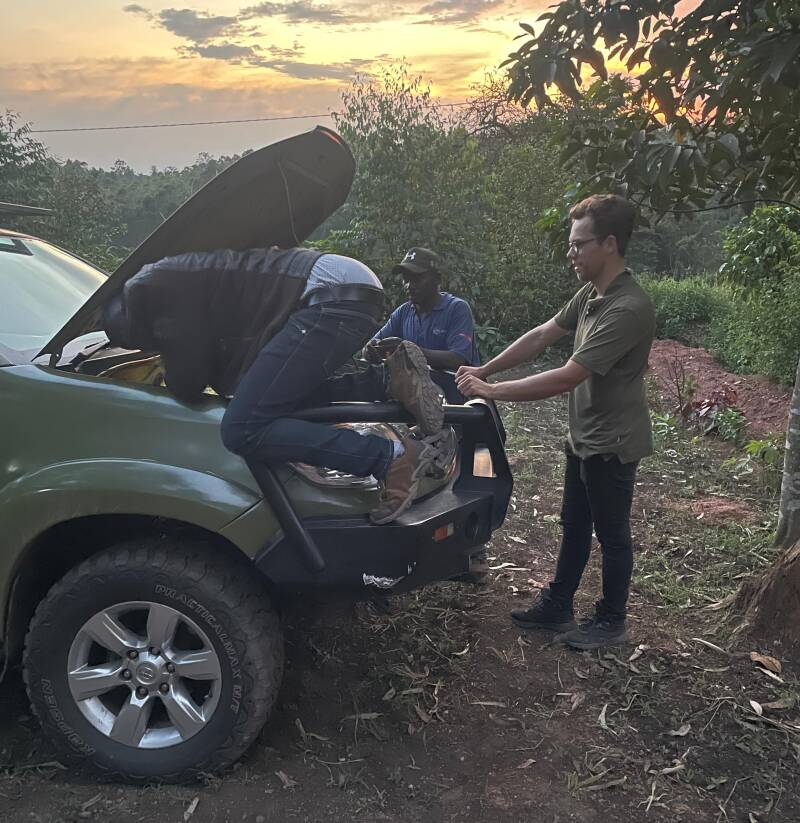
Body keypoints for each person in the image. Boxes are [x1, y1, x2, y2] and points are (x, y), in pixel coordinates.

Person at [102, 247, 445, 525]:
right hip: (345, 286)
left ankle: (391, 458)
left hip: (327, 295)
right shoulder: (175, 275)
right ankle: (389, 380)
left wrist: (163, 366)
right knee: (278, 401)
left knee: (241, 429)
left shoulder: (147, 291)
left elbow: (188, 381)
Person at [456, 195, 655, 649]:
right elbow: (543, 334)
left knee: (612, 534)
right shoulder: (591, 294)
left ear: (609, 244)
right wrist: (486, 369)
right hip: (583, 435)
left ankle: (612, 620)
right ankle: (559, 604)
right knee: (574, 523)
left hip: (612, 441)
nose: (571, 254)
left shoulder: (627, 308)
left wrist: (492, 391)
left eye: (579, 244)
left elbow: (569, 375)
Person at [364, 247, 480, 403]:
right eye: (406, 279)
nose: (409, 285)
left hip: (456, 394)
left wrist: (409, 351)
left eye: (417, 278)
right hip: (416, 394)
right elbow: (370, 347)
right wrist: (372, 350)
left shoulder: (456, 308)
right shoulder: (404, 312)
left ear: (437, 279)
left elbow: (458, 359)